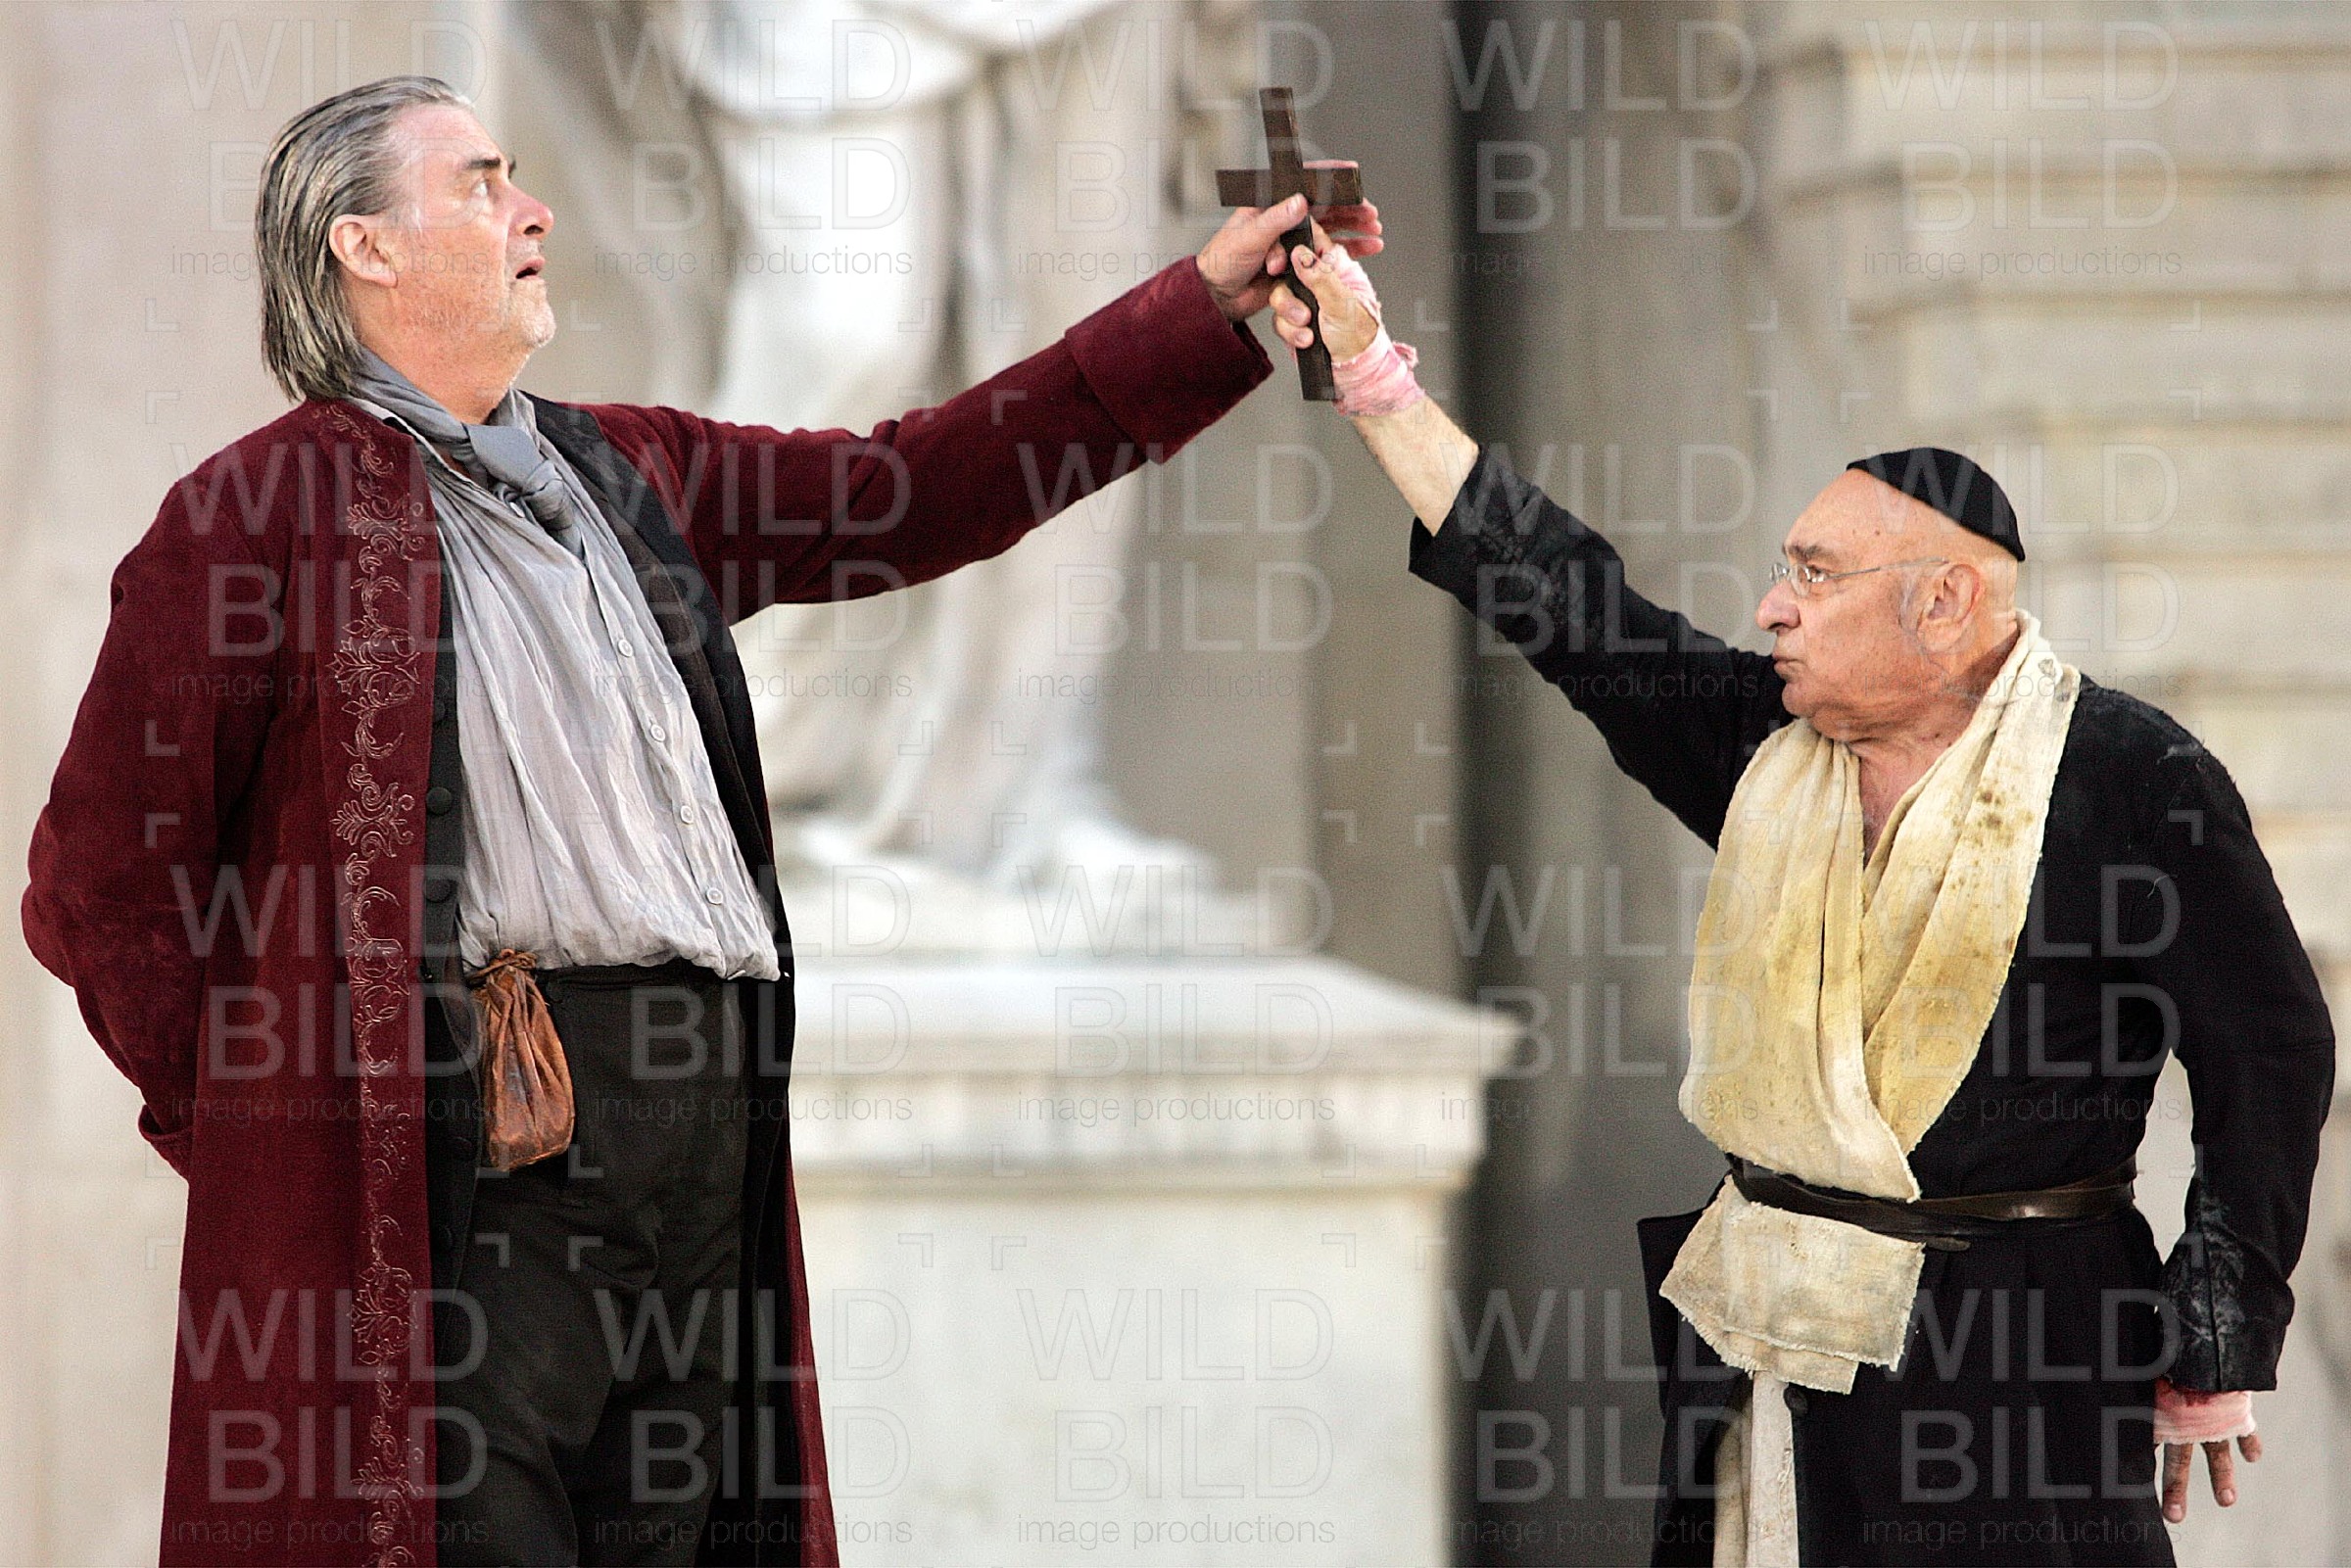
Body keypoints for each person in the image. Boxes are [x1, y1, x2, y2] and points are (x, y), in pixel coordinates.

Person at [20, 76, 1375, 1568]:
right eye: (479, 184)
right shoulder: (249, 518)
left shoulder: (631, 470)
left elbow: (911, 486)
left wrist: (1199, 308)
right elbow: (99, 888)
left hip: (701, 1134)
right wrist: (283, 1136)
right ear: (367, 247)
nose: (531, 211)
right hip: (488, 1147)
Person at [1265, 236, 2335, 1563]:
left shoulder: (2132, 777)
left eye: (1816, 575)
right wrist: (1374, 375)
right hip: (1775, 1338)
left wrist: (2218, 1328)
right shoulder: (1769, 751)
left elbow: (2270, 1049)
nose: (1773, 607)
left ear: (1945, 602)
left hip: (2025, 1355)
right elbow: (1576, 606)